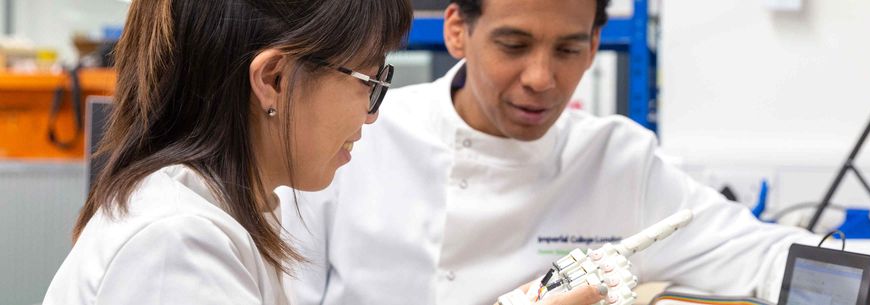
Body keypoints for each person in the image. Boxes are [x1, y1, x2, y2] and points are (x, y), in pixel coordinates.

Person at [280, 0, 870, 305]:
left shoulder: (617, 158)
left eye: (570, 49)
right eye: (514, 45)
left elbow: (747, 249)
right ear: (457, 31)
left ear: (597, 42)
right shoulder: (358, 139)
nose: (543, 79)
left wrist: (855, 289)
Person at [42, 1, 600, 304]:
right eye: (369, 81)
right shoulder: (175, 243)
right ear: (277, 79)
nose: (372, 114)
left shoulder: (231, 213)